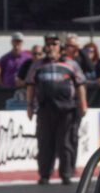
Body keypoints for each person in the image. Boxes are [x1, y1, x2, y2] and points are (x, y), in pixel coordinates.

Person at [25, 34, 88, 185]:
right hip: (45, 109)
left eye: (55, 44)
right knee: (45, 143)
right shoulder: (38, 65)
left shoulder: (71, 64)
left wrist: (83, 104)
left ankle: (66, 174)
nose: (51, 47)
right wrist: (29, 106)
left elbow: (80, 85)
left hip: (67, 110)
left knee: (66, 142)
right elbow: (30, 85)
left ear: (60, 47)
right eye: (49, 44)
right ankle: (44, 175)